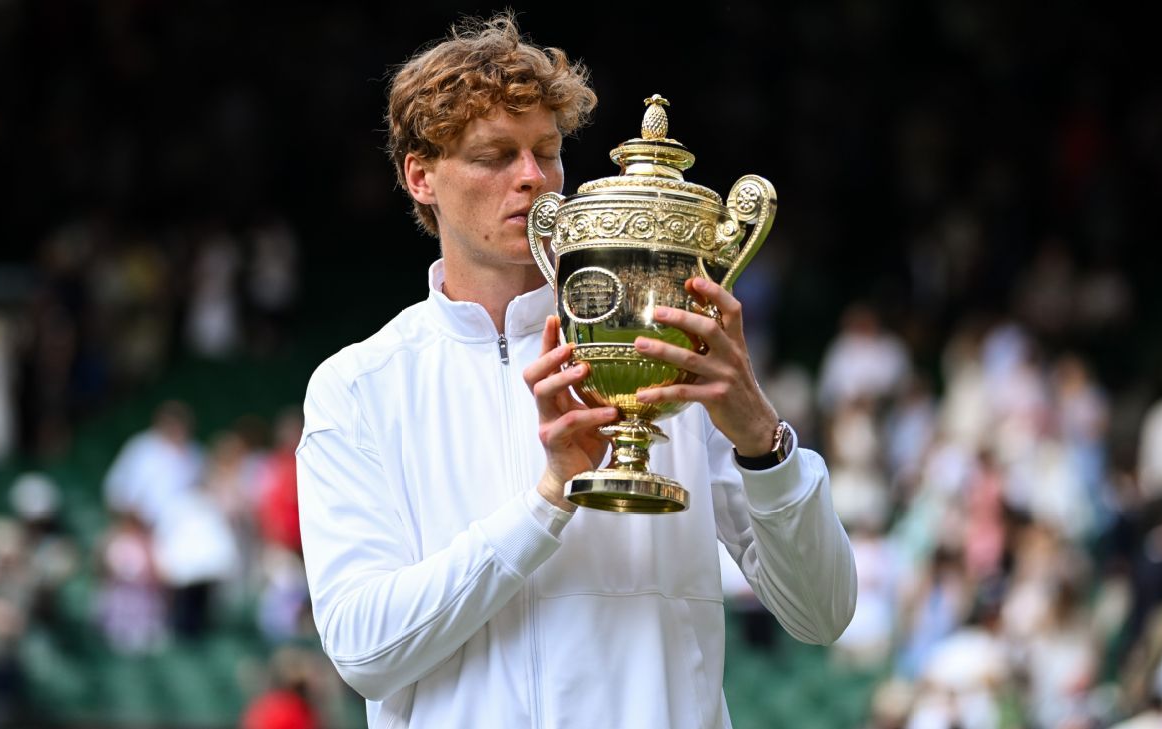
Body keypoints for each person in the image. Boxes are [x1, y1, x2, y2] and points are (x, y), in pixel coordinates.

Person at [296, 14, 857, 729]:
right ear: (421, 176)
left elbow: (824, 611)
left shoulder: (667, 357)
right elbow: (364, 650)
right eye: (495, 155)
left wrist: (762, 439)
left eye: (547, 152)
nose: (532, 179)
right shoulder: (358, 387)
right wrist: (549, 500)